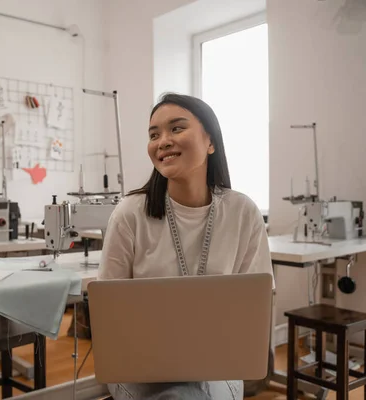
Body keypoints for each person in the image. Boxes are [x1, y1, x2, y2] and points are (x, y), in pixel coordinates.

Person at [97, 93, 274, 400]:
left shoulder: (243, 212)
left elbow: (253, 313)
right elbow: (109, 314)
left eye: (176, 128)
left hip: (219, 365)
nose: (162, 141)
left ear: (210, 141)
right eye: (154, 135)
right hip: (140, 366)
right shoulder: (130, 213)